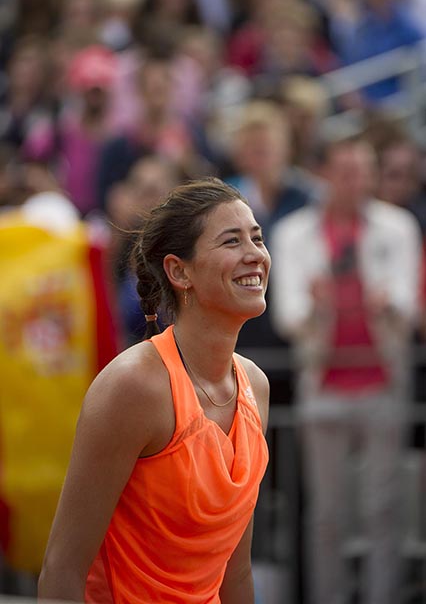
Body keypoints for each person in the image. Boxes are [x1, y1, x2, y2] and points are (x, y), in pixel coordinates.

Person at [38, 177, 271, 603]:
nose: (255, 254)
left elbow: (235, 572)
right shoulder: (133, 386)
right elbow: (62, 568)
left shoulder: (255, 385)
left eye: (256, 238)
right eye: (232, 241)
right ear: (179, 271)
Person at [269, 138, 422, 604]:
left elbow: (409, 306)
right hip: (323, 382)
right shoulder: (293, 233)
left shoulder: (398, 226)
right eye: (345, 172)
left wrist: (388, 303)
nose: (355, 182)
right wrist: (316, 307)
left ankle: (383, 596)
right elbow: (287, 315)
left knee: (384, 507)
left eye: (363, 171)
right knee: (327, 513)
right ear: (325, 174)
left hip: (383, 380)